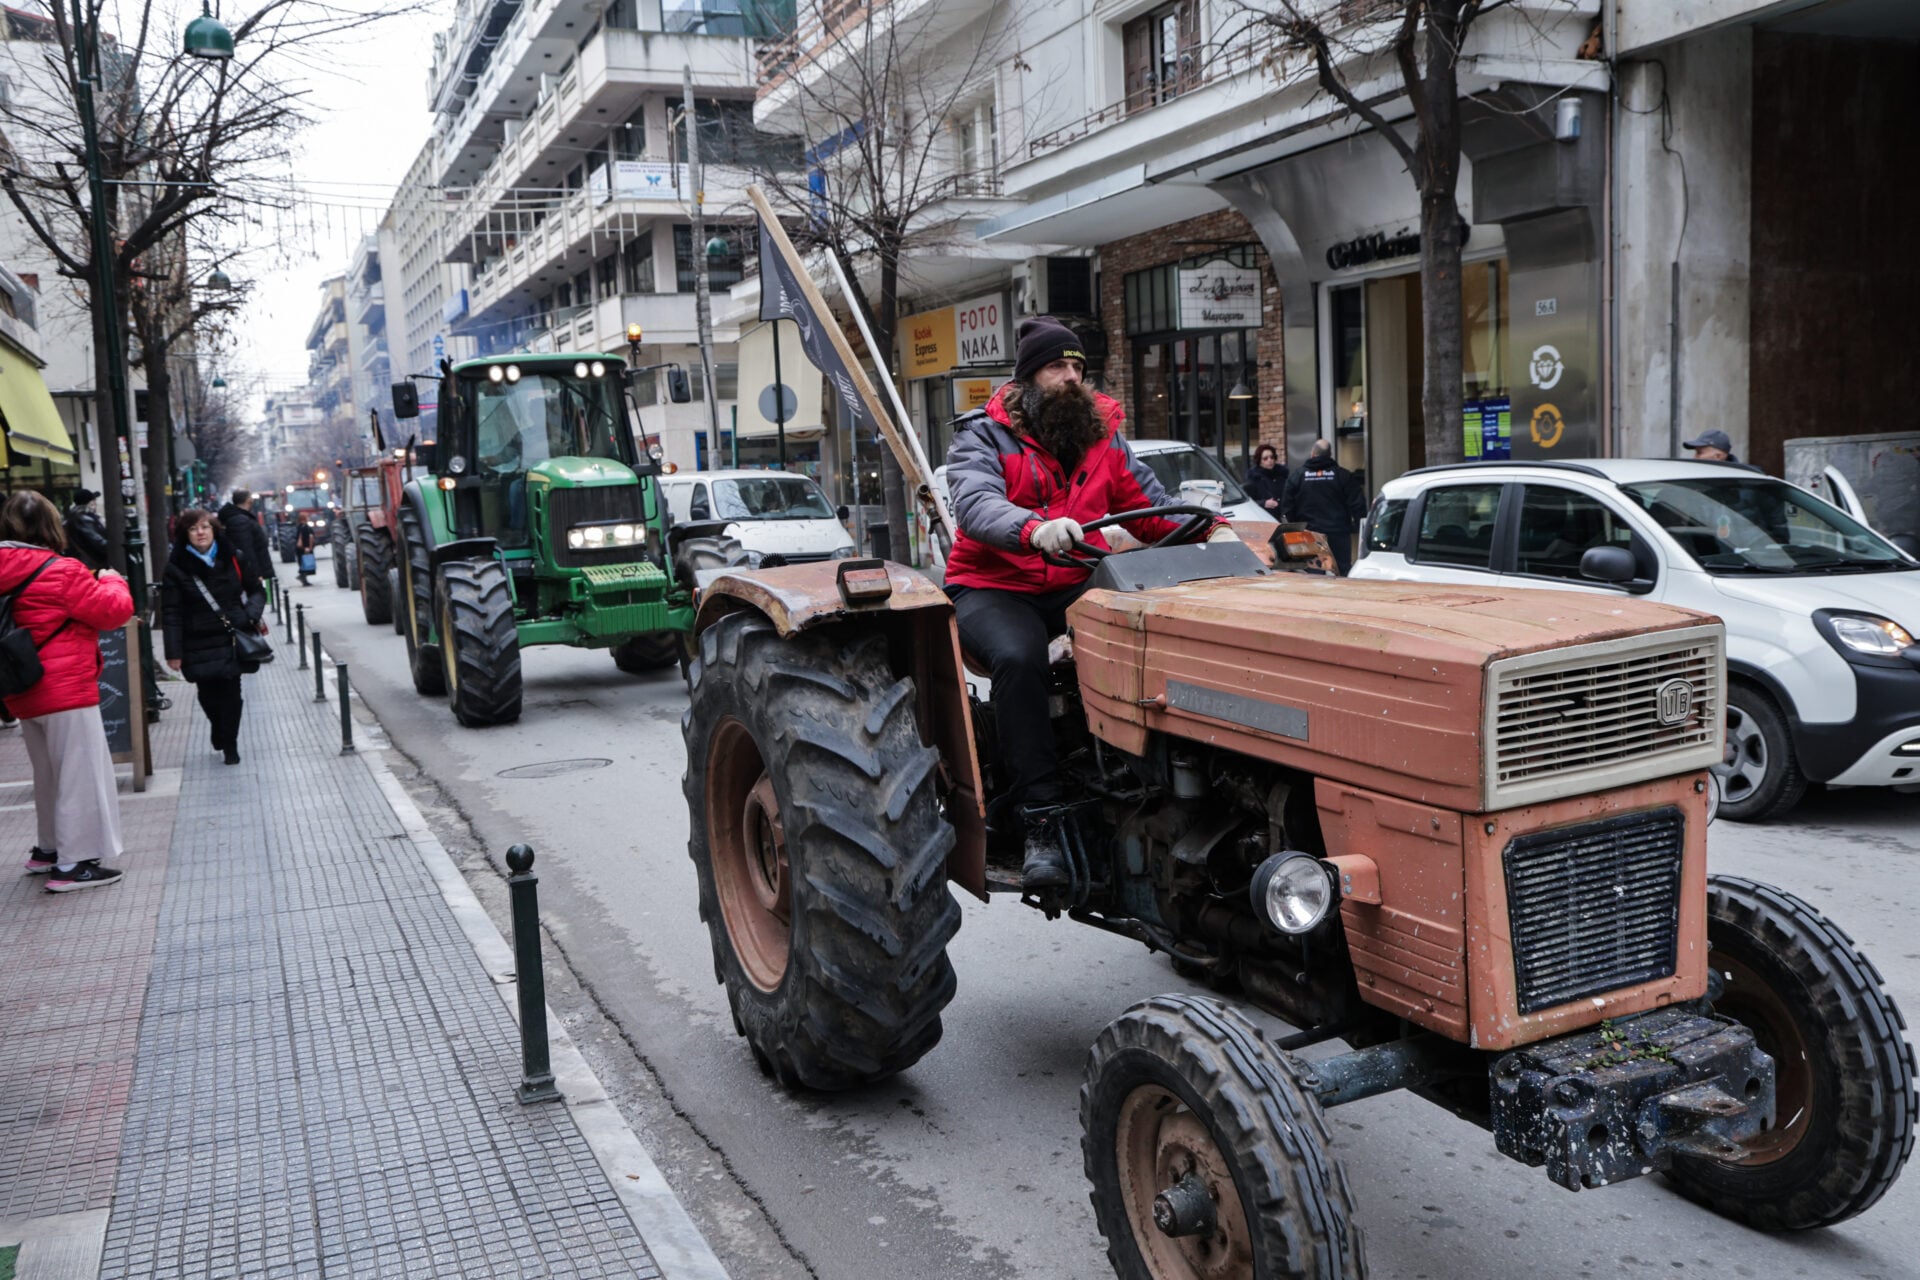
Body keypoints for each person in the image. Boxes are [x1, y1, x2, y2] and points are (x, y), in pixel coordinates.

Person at [945, 315, 1236, 890]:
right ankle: (1041, 822)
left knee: (1156, 627)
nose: (1072, 377)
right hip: (994, 584)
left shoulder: (1103, 436)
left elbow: (1149, 507)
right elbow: (976, 505)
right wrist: (1033, 528)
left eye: (1079, 366)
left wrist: (1211, 529)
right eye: (1058, 365)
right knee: (1019, 656)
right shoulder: (981, 435)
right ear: (1029, 377)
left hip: (1078, 573)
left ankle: (1160, 787)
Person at [0, 490, 134, 891]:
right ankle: (74, 864)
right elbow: (112, 611)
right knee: (79, 774)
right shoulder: (62, 569)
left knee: (48, 774)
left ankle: (49, 849)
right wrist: (112, 581)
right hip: (65, 689)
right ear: (50, 525)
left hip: (20, 687)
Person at [161, 510, 267, 765]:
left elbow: (257, 591)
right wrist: (173, 652)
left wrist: (250, 615)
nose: (200, 533)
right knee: (207, 693)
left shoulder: (233, 557)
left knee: (232, 693)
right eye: (193, 529)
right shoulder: (176, 567)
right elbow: (171, 612)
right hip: (196, 639)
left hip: (231, 636)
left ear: (214, 530)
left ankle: (230, 744)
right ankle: (217, 728)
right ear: (185, 535)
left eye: (205, 527)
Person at [1282, 439, 1367, 575]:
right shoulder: (1343, 475)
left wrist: (1295, 529)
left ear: (1312, 453)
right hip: (1338, 532)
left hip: (1309, 534)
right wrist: (1358, 527)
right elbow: (1358, 505)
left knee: (1313, 573)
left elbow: (1287, 507)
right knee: (1342, 570)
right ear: (1330, 454)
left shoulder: (1297, 477)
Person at [217, 488, 278, 588]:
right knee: (257, 600)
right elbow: (246, 549)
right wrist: (255, 575)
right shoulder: (239, 520)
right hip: (253, 577)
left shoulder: (240, 518)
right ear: (248, 500)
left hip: (253, 573)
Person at [62, 488, 112, 572]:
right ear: (89, 502)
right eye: (93, 500)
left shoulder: (75, 516)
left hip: (86, 563)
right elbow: (97, 541)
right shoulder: (83, 518)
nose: (95, 503)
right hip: (91, 564)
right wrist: (113, 549)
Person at [1682, 429, 1765, 473]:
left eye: (1699, 453)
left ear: (1718, 456)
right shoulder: (1695, 477)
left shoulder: (1746, 480)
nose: (1695, 458)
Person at [1242, 443, 1288, 516]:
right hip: (1265, 516)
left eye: (1272, 457)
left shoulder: (1282, 474)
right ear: (1260, 461)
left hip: (1285, 516)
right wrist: (1264, 503)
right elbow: (1247, 501)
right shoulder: (1254, 478)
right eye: (1265, 458)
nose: (1269, 460)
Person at [293, 519, 317, 586]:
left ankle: (303, 578)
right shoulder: (304, 527)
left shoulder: (299, 527)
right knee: (305, 564)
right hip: (304, 549)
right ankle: (303, 578)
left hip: (302, 549)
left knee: (304, 564)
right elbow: (306, 537)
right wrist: (307, 547)